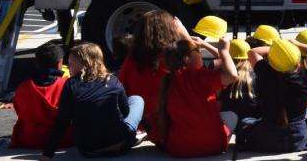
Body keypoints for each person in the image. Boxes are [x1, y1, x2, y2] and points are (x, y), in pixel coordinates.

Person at [42, 42, 144, 161]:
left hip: (88, 149)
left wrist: (48, 154)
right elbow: (125, 112)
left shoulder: (71, 85)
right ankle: (135, 133)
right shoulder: (112, 80)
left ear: (85, 64)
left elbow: (62, 122)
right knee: (137, 99)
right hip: (119, 145)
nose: (68, 67)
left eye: (71, 63)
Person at [237, 36, 307, 152]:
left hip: (266, 140)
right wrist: (297, 45)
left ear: (272, 63)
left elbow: (252, 52)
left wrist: (278, 49)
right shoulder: (306, 78)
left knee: (246, 121)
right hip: (297, 140)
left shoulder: (265, 72)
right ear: (297, 63)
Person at [157, 36, 238, 157]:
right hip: (214, 146)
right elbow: (232, 75)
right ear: (187, 59)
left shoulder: (168, 80)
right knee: (232, 116)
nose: (201, 54)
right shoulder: (202, 76)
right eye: (198, 51)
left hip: (179, 149)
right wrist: (224, 51)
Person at [117, 8, 188, 144]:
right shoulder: (174, 58)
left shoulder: (133, 57)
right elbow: (197, 75)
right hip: (170, 121)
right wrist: (185, 37)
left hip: (142, 121)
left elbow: (121, 88)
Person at [11, 40, 71, 149]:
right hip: (64, 139)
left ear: (37, 63)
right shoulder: (67, 85)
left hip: (31, 139)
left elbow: (20, 112)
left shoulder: (23, 87)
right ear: (59, 63)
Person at [218, 38, 260, 127]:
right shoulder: (258, 74)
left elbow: (218, 104)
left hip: (229, 123)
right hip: (252, 122)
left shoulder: (223, 76)